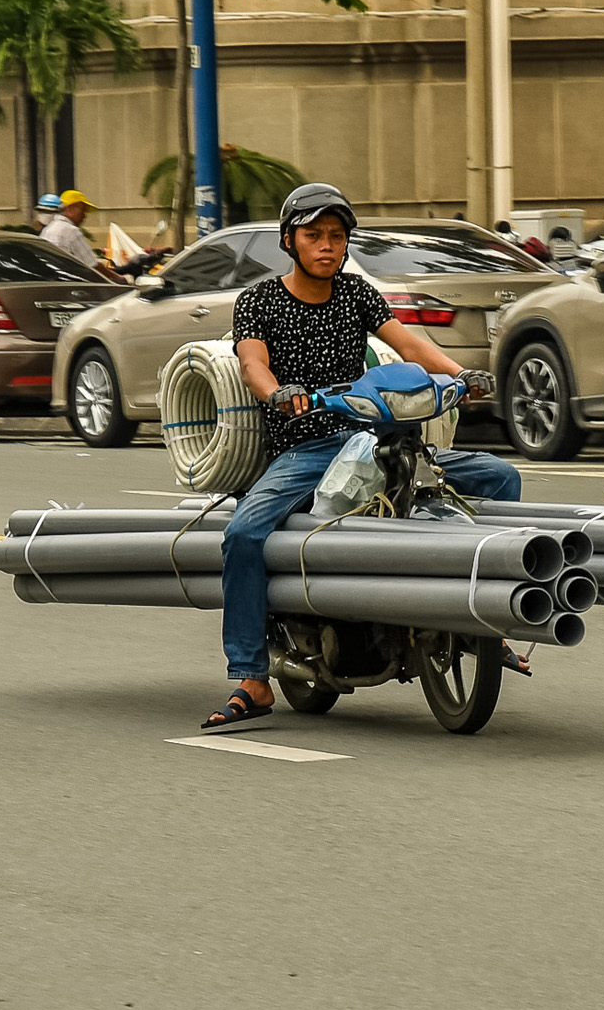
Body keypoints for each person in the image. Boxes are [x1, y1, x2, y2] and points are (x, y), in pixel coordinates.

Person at [205, 183, 527, 730]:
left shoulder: (357, 293)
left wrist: (461, 375)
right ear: (289, 241)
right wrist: (278, 393)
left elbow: (409, 345)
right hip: (309, 447)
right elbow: (252, 364)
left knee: (499, 477)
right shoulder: (259, 301)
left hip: (374, 440)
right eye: (314, 235)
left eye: (336, 236)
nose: (327, 245)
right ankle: (252, 676)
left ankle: (490, 624)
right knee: (243, 532)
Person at [39, 189, 122, 281]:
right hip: (70, 283)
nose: (84, 216)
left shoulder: (47, 229)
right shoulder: (71, 231)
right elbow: (92, 265)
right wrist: (117, 278)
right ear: (70, 208)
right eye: (82, 211)